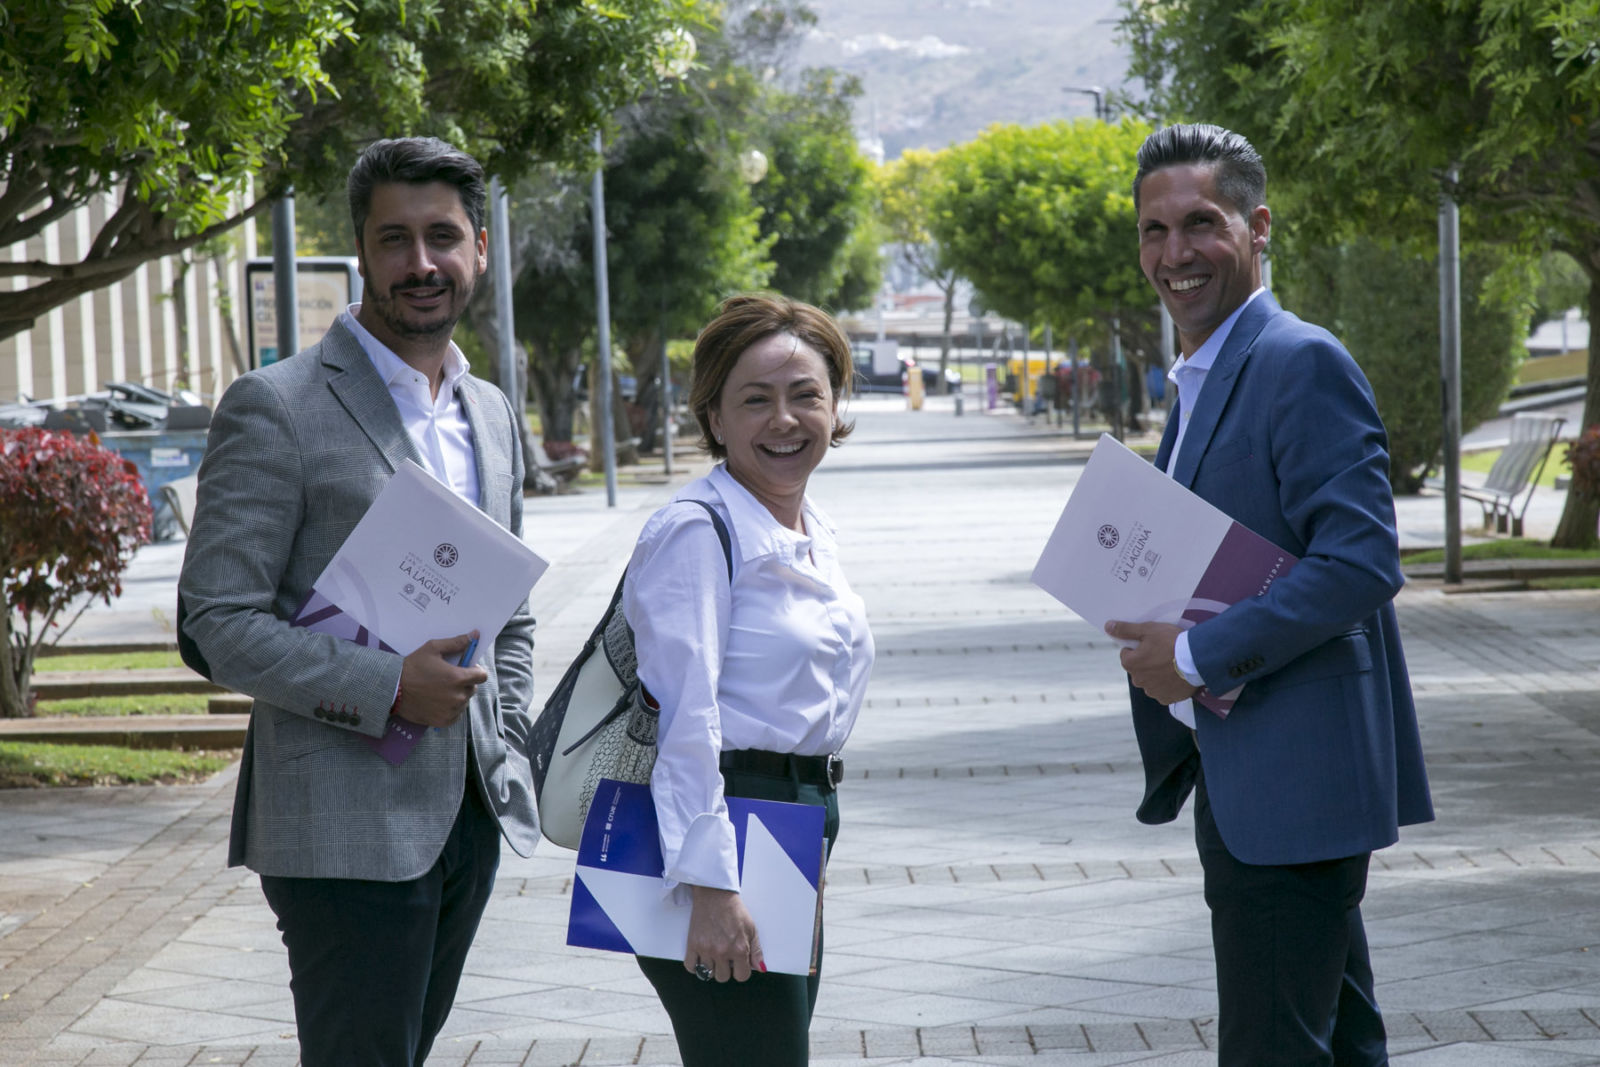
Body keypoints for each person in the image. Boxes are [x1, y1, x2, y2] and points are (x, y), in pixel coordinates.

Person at [178, 137, 540, 1066]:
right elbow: (214, 622)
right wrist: (389, 687)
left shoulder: (490, 410)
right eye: (395, 240)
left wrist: (510, 735)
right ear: (363, 251)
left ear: (480, 250)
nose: (421, 263)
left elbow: (512, 611)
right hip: (339, 827)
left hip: (468, 817)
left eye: (443, 237)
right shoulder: (278, 405)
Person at [1103, 124, 1433, 1065]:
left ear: (1258, 227)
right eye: (1153, 230)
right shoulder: (1201, 376)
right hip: (1254, 772)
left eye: (1199, 224)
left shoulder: (1298, 360)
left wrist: (1196, 655)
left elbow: (1363, 559)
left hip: (1298, 779)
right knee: (1336, 1038)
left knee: (1272, 1048)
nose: (1174, 254)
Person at [621, 293, 874, 1065]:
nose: (785, 420)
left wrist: (814, 829)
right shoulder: (696, 531)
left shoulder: (807, 528)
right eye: (755, 400)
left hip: (793, 816)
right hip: (727, 825)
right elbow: (685, 717)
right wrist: (713, 887)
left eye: (806, 395)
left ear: (835, 406)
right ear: (714, 416)